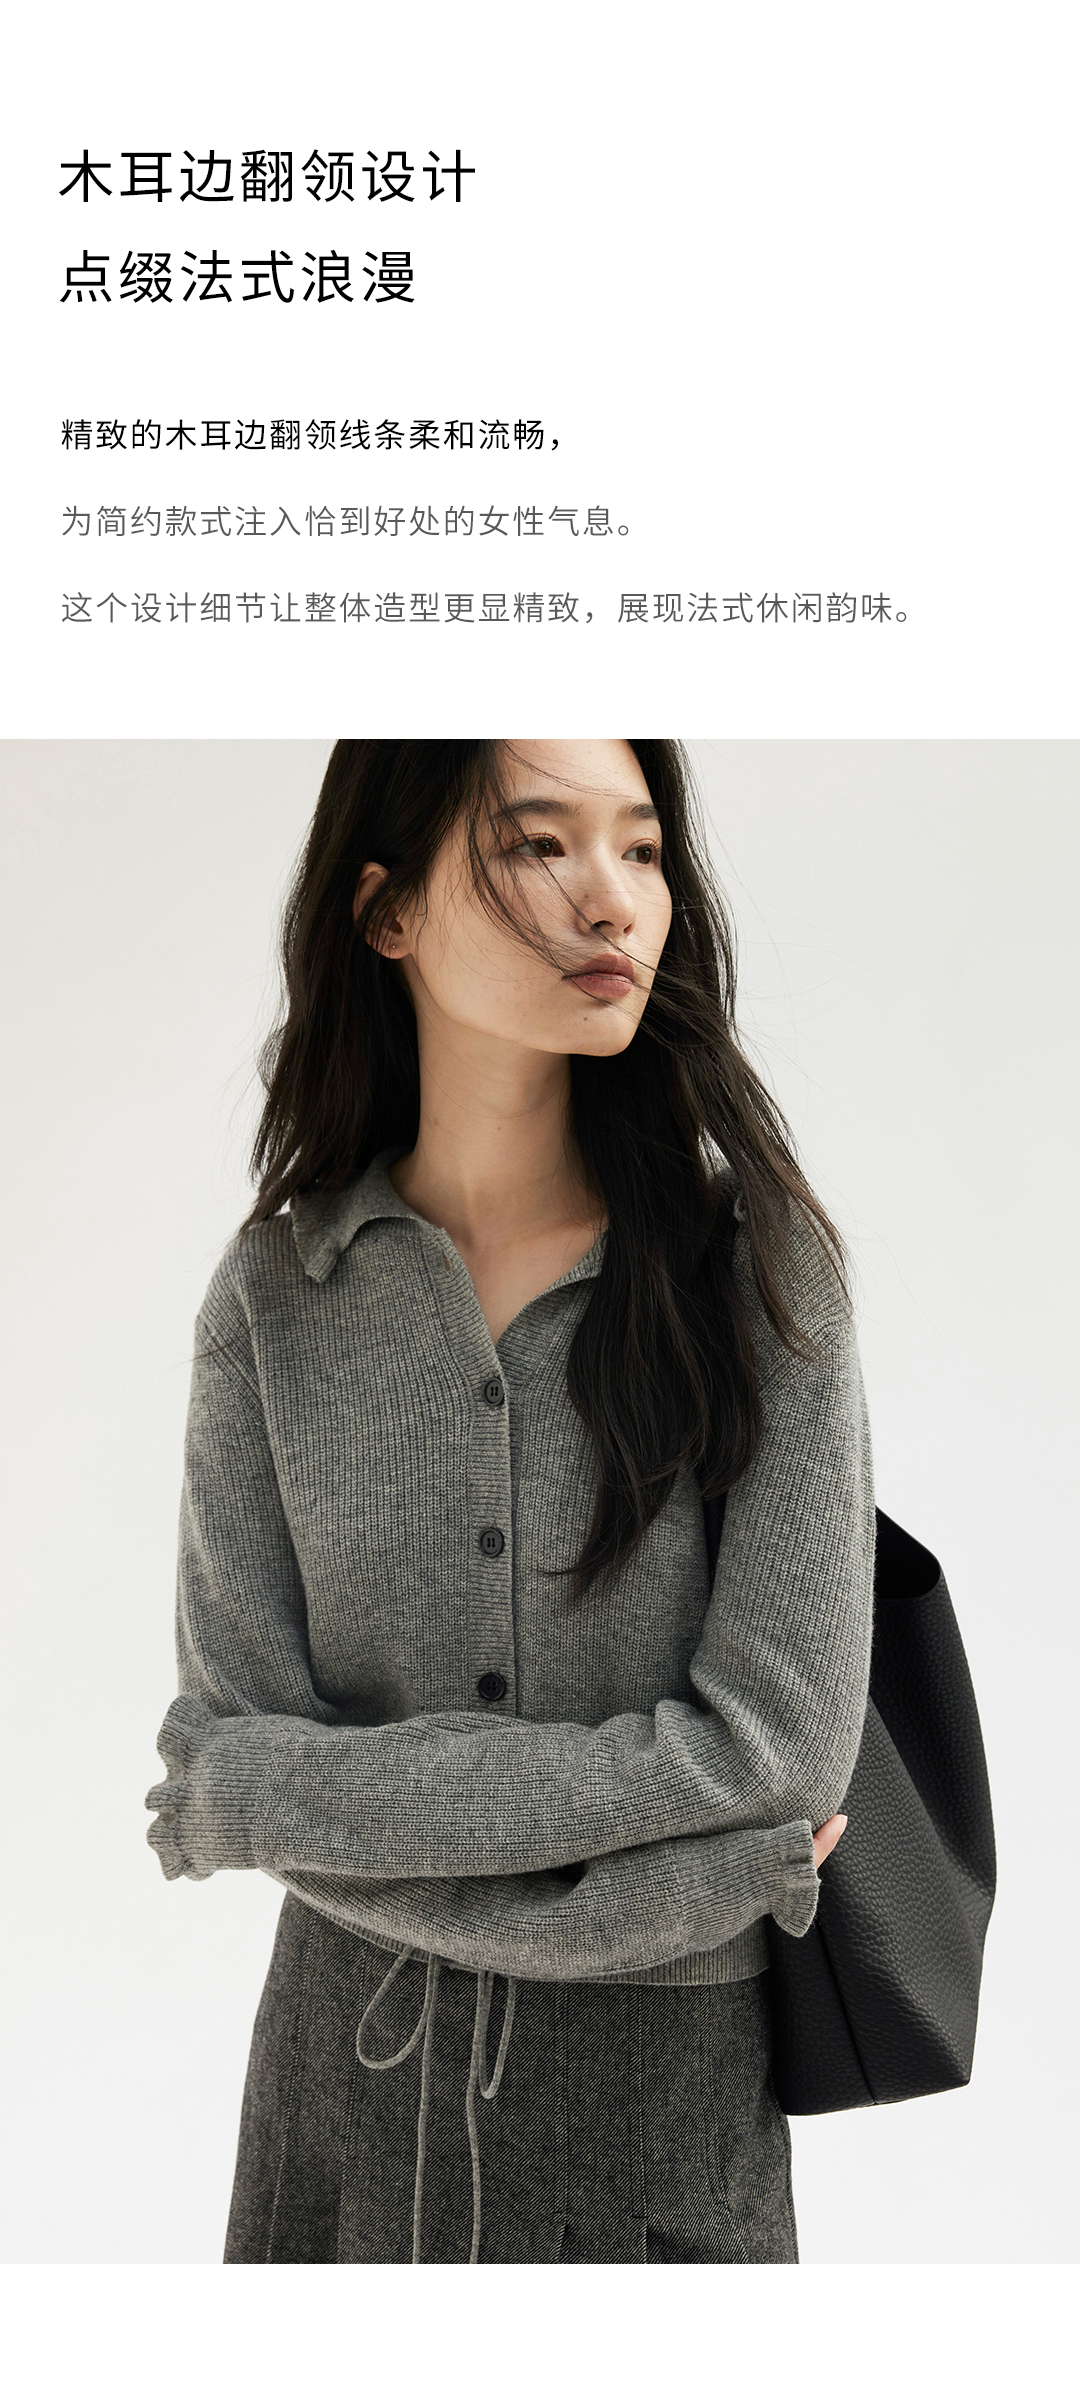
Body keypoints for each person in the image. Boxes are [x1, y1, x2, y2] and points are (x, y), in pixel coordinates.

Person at [145, 738, 872, 2266]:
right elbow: (241, 1723)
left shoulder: (762, 1277)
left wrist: (272, 1798)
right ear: (387, 909)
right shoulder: (272, 1298)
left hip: (662, 2140)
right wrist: (715, 1870)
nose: (614, 899)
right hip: (338, 2127)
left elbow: (776, 1752)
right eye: (542, 843)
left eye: (643, 849)